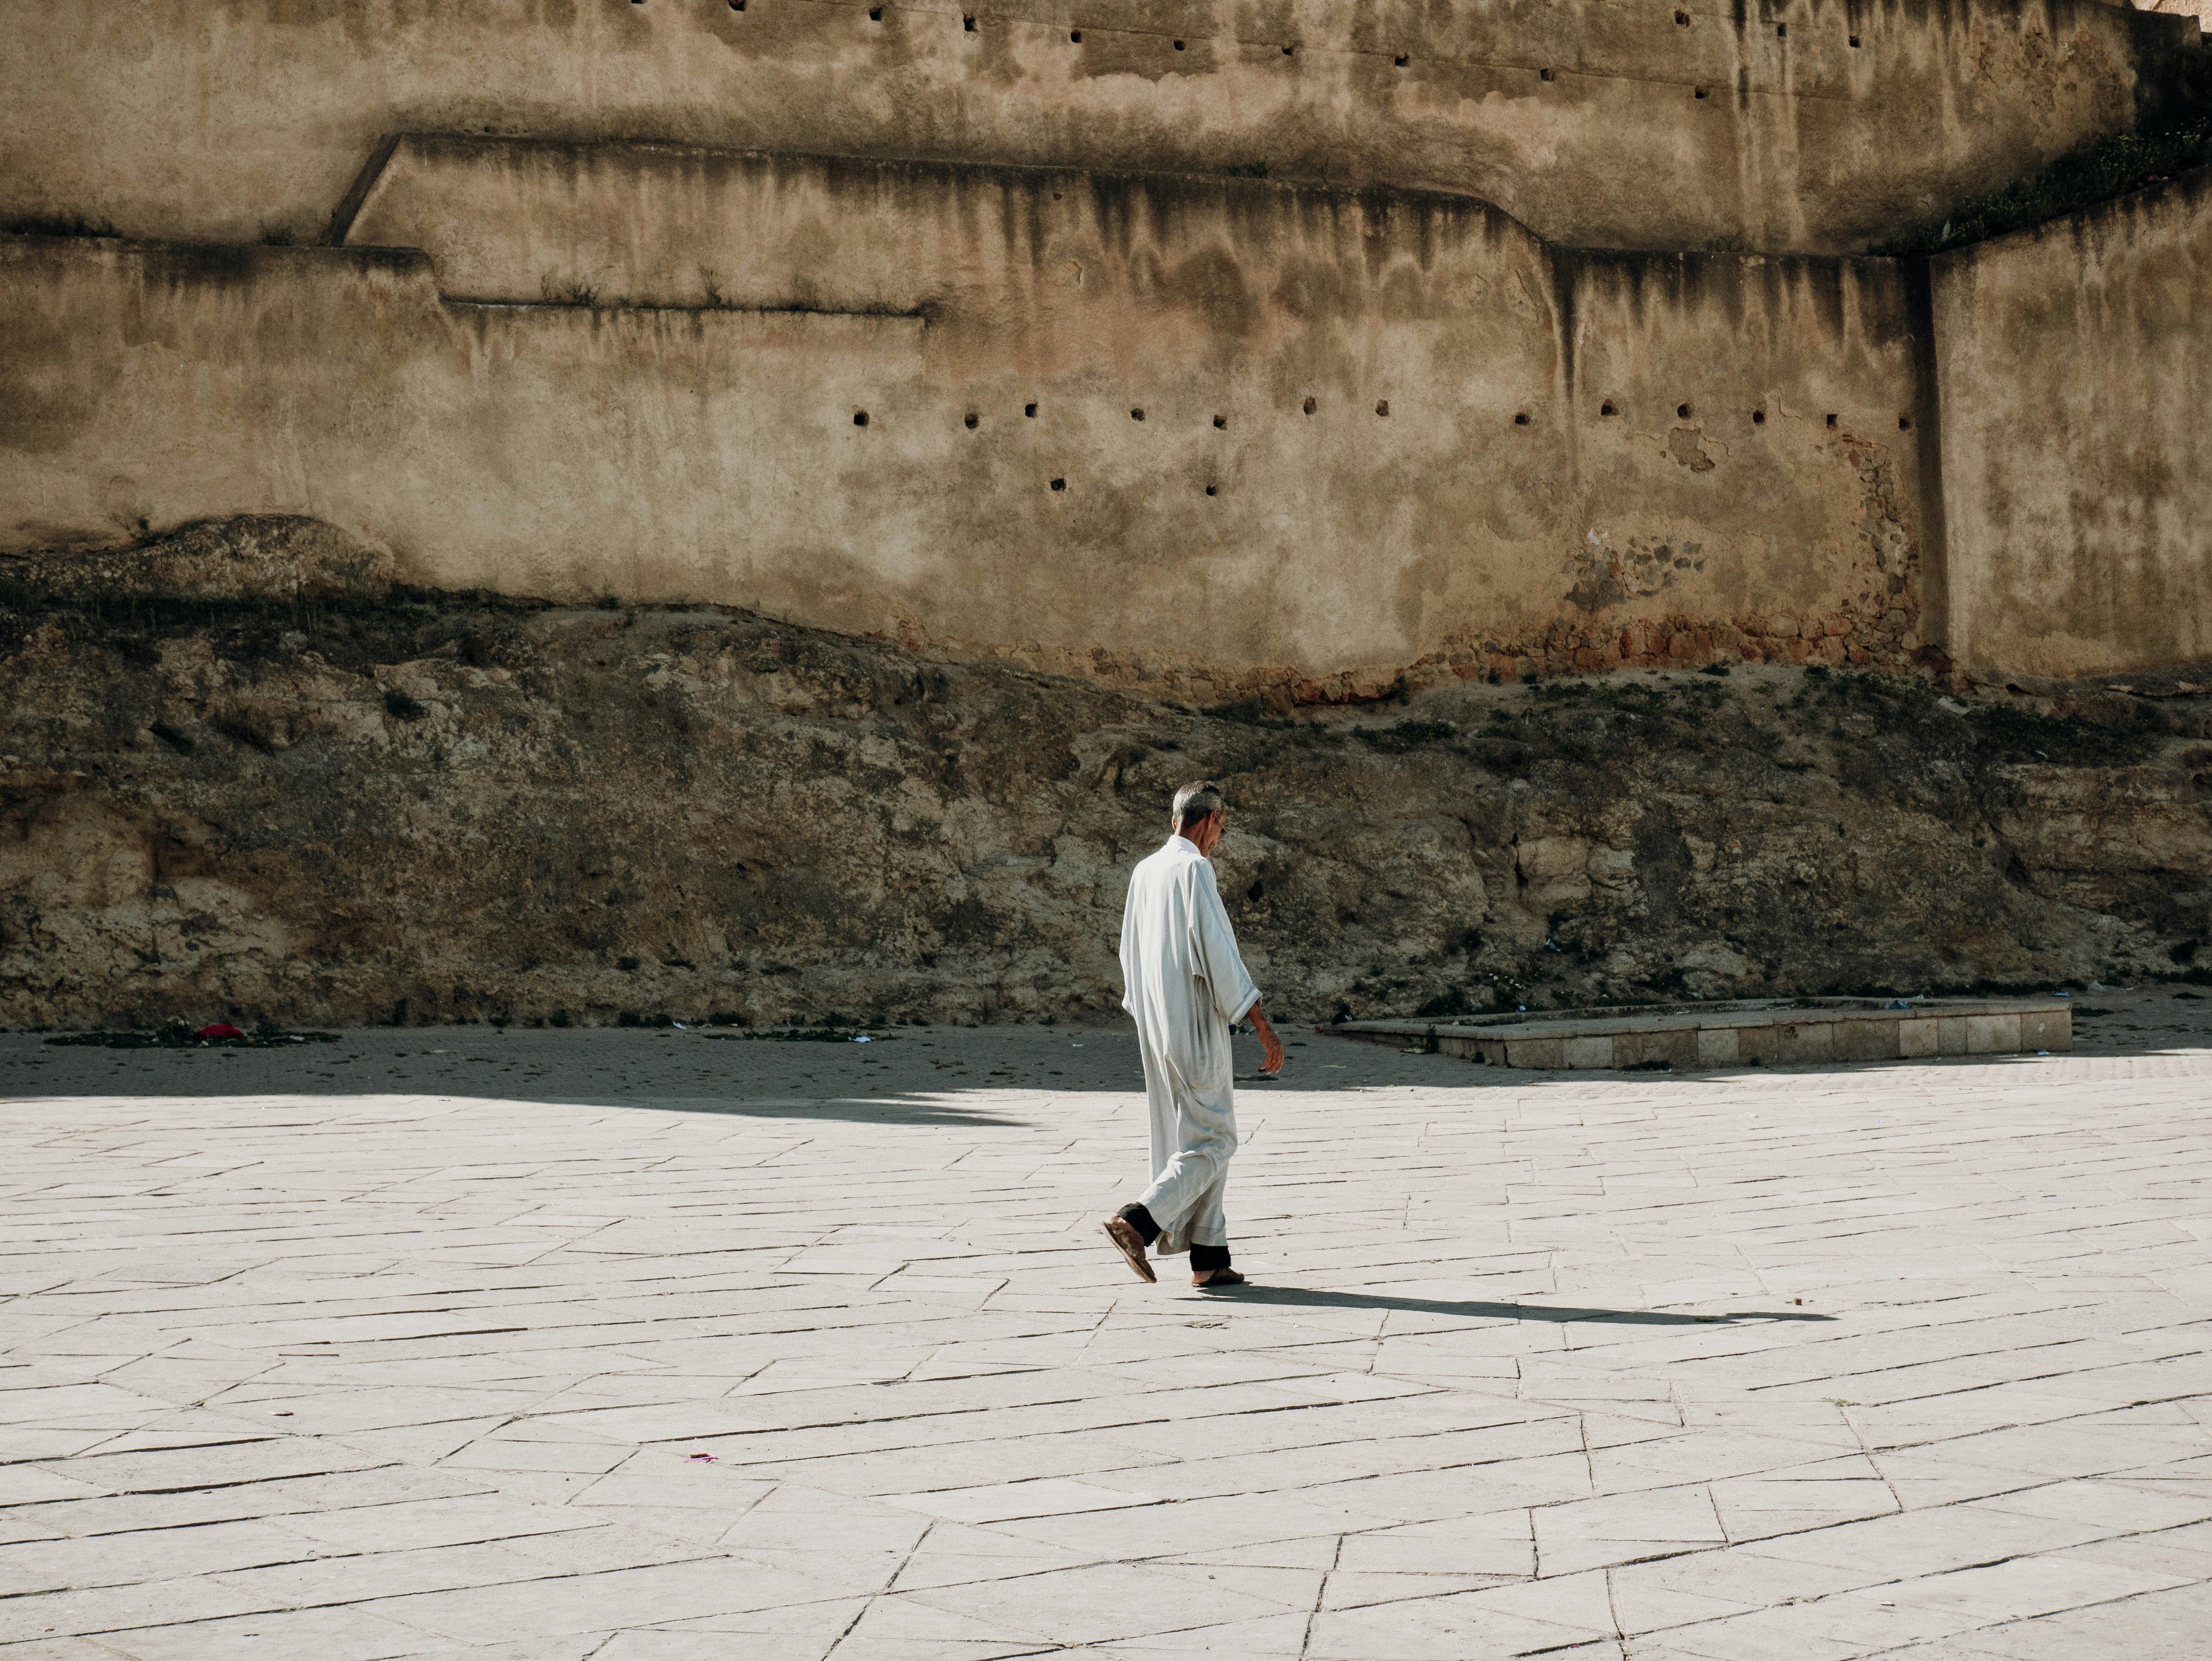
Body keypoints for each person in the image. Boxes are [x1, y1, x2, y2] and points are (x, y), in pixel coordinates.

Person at [1101, 780, 1284, 1289]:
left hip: (1158, 1026)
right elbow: (1220, 954)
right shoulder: (1193, 869)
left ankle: (1209, 1255)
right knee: (1215, 1138)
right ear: (1207, 822)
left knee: (1197, 1135)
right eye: (1220, 830)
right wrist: (1260, 1024)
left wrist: (1149, 1014)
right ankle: (1136, 1221)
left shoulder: (1145, 871)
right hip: (1196, 1027)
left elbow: (1127, 954)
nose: (1218, 841)